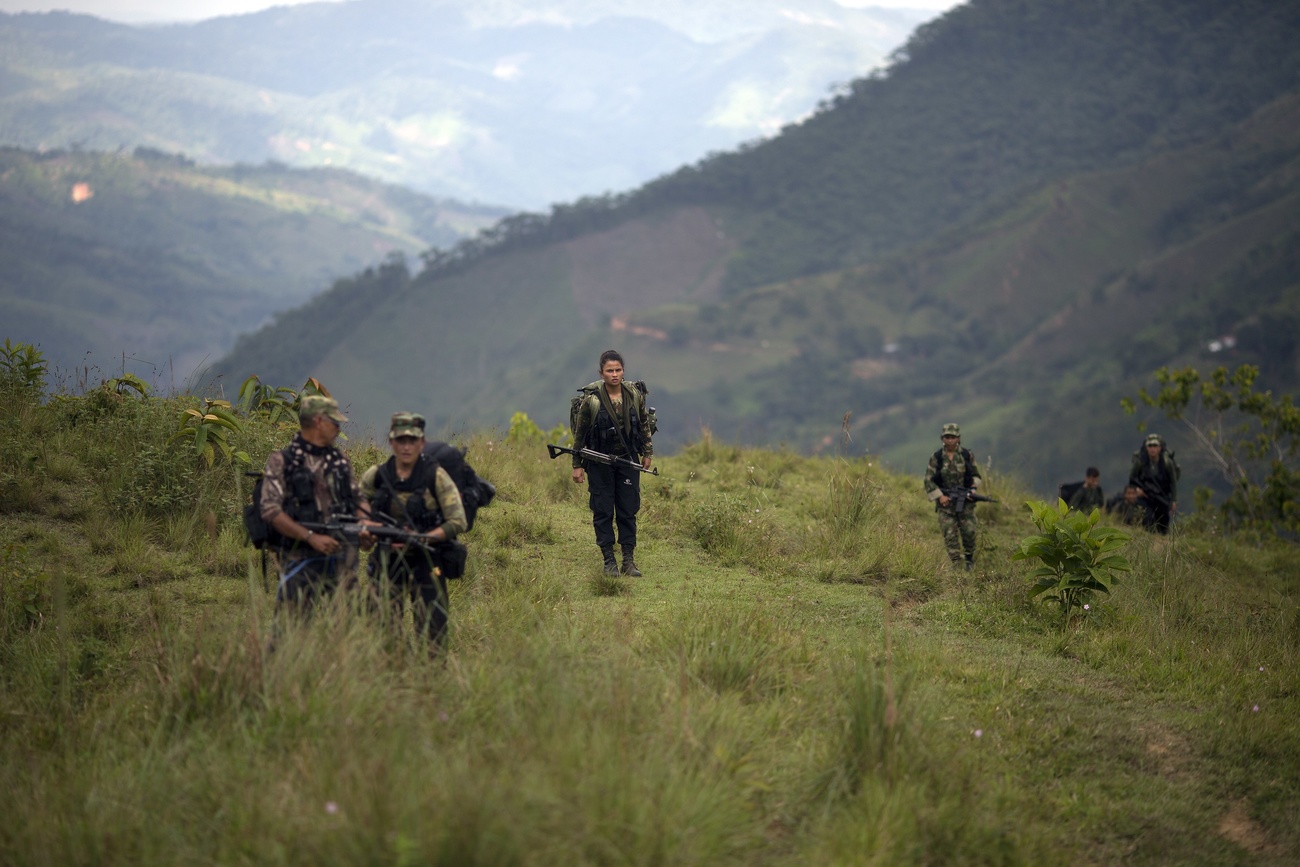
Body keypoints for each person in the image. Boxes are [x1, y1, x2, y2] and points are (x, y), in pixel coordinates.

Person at [359, 412, 468, 649]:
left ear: (422, 442)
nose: (406, 447)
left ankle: (429, 681)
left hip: (426, 559)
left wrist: (426, 537)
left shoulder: (435, 476)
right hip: (387, 561)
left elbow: (457, 520)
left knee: (433, 634)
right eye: (401, 441)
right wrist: (367, 529)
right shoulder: (376, 475)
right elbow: (358, 507)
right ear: (392, 442)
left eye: (412, 441)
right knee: (382, 631)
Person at [260, 393, 368, 618]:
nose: (338, 429)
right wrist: (310, 537)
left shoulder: (339, 460)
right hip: (299, 558)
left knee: (351, 624)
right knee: (292, 627)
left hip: (340, 558)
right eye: (334, 422)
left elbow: (358, 498)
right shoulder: (283, 461)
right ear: (319, 421)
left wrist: (366, 523)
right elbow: (270, 510)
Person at [571, 349, 654, 576]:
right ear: (602, 373)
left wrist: (647, 452)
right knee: (603, 510)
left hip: (628, 461)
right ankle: (609, 560)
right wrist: (577, 465)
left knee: (628, 509)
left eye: (618, 370)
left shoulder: (633, 395)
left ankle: (628, 560)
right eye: (610, 371)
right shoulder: (592, 400)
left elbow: (644, 423)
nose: (614, 374)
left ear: (623, 371)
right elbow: (580, 434)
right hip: (599, 462)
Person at [923, 423, 984, 570]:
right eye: (947, 437)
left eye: (953, 437)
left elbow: (976, 476)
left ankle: (969, 560)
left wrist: (972, 489)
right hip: (946, 504)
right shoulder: (937, 457)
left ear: (958, 438)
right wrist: (940, 496)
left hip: (966, 503)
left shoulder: (966, 455)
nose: (950, 440)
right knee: (949, 534)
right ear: (942, 438)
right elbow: (928, 480)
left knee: (969, 531)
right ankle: (956, 565)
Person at [1129, 433, 1179, 534]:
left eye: (1155, 446)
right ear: (1146, 448)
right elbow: (1132, 478)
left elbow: (1173, 482)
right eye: (1150, 446)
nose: (1152, 449)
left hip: (1162, 497)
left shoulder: (1167, 463)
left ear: (1160, 448)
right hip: (1145, 497)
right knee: (1147, 519)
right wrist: (1138, 490)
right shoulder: (1141, 462)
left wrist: (1173, 501)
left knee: (1163, 524)